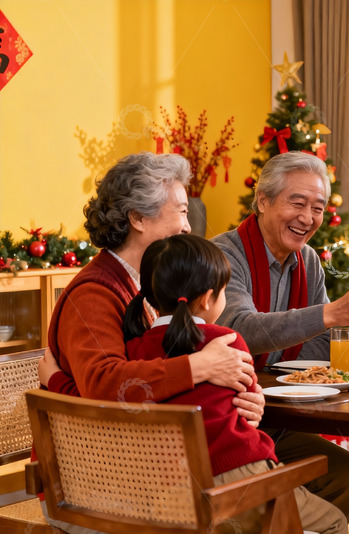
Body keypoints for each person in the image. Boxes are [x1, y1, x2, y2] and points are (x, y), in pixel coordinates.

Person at [38, 152, 264, 533]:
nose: (189, 225)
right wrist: (200, 366)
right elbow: (106, 385)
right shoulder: (94, 294)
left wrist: (246, 398)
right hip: (93, 485)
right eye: (180, 210)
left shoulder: (148, 289)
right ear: (138, 219)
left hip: (144, 470)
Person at [123, 234, 346, 534]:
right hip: (238, 475)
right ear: (207, 299)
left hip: (168, 491)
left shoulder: (132, 350)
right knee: (333, 522)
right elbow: (249, 406)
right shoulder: (227, 341)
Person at [211, 151, 349, 520]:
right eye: (297, 203)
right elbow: (239, 327)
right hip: (231, 420)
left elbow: (320, 345)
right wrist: (329, 313)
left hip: (280, 414)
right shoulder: (223, 255)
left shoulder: (309, 261)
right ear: (263, 200)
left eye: (318, 208)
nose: (308, 218)